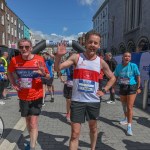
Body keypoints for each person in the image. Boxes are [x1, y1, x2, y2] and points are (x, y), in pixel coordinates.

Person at [54, 30, 116, 150]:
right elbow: (57, 68)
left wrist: (104, 89)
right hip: (77, 101)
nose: (93, 45)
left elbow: (112, 78)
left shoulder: (101, 62)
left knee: (93, 128)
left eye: (96, 43)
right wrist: (59, 56)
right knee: (75, 134)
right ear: (85, 43)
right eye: (90, 42)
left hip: (93, 102)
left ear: (99, 45)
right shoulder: (76, 58)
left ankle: (93, 148)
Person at [7, 38, 50, 150]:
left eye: (26, 47)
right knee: (27, 120)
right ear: (19, 48)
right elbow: (9, 72)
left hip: (37, 95)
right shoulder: (14, 60)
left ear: (31, 48)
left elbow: (48, 76)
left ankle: (32, 146)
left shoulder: (39, 59)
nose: (24, 49)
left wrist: (42, 73)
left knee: (33, 122)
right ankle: (31, 140)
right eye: (21, 47)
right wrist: (13, 84)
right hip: (23, 96)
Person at [114, 51, 141, 136]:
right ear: (122, 57)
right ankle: (126, 118)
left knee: (129, 107)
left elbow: (138, 77)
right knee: (124, 105)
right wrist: (113, 87)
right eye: (125, 56)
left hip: (131, 87)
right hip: (122, 87)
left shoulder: (133, 66)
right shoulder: (119, 66)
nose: (127, 58)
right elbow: (115, 77)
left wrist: (138, 87)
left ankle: (129, 126)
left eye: (128, 56)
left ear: (130, 58)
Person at [59, 52, 74, 122]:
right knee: (68, 101)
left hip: (77, 85)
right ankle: (68, 113)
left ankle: (73, 113)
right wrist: (62, 80)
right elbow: (60, 72)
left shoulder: (79, 65)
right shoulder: (67, 65)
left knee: (75, 101)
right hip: (69, 84)